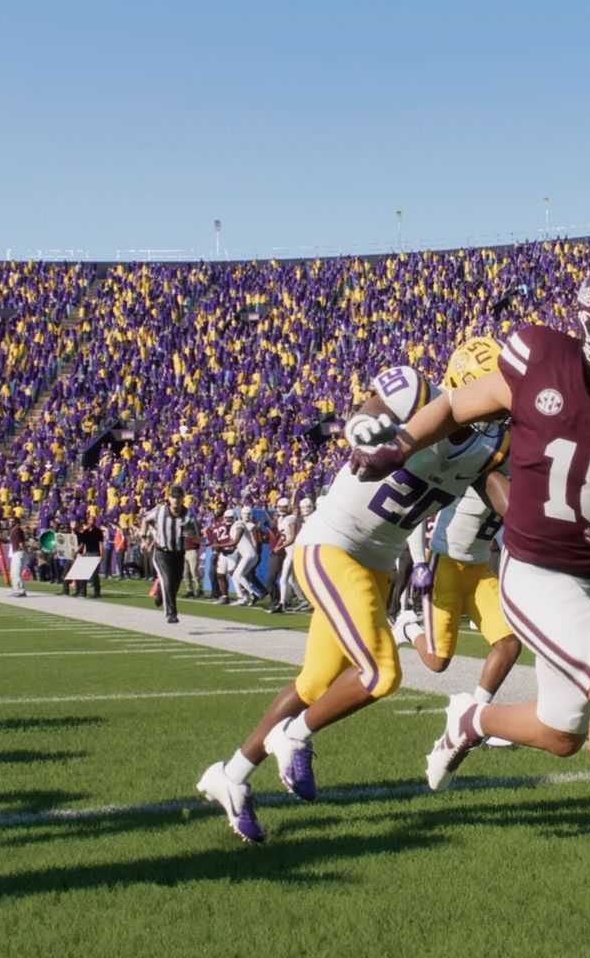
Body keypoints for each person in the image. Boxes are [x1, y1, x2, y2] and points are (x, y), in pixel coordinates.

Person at [372, 258, 590, 921]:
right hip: (534, 569)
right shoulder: (536, 358)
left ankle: (468, 720)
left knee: (562, 734)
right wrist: (398, 444)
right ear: (586, 327)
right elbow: (451, 407)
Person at [194, 351, 506, 843]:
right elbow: (366, 416)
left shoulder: (489, 446)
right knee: (381, 675)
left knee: (315, 682)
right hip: (331, 547)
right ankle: (293, 734)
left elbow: (507, 497)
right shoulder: (417, 394)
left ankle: (229, 776)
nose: (497, 407)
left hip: (377, 568)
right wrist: (368, 434)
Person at [394, 337, 526, 746]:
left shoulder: (500, 445)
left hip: (479, 565)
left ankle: (477, 715)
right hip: (447, 562)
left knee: (508, 644)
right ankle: (407, 625)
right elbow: (419, 509)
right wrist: (418, 562)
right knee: (436, 661)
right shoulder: (471, 452)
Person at [144, 488, 188, 623]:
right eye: (174, 497)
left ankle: (160, 596)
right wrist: (144, 537)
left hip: (178, 553)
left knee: (176, 582)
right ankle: (171, 613)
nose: (176, 500)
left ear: (182, 498)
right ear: (169, 498)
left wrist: (194, 536)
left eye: (179, 497)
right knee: (167, 579)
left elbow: (194, 530)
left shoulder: (188, 513)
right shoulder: (160, 510)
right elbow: (145, 519)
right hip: (161, 552)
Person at [6, 519, 30, 597]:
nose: (10, 522)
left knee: (16, 572)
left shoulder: (17, 530)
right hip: (15, 552)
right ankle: (16, 590)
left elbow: (21, 543)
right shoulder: (13, 530)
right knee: (13, 572)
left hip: (19, 552)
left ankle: (21, 591)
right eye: (9, 521)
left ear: (16, 523)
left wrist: (25, 551)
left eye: (12, 521)